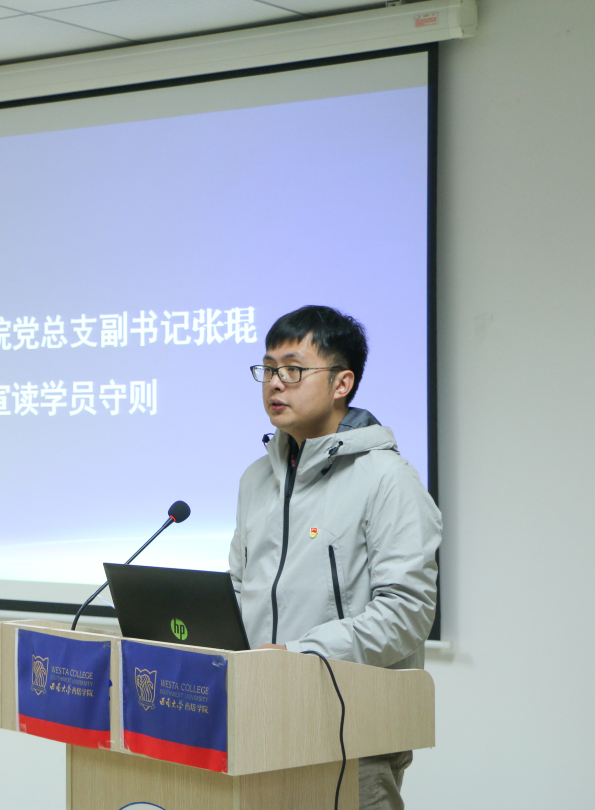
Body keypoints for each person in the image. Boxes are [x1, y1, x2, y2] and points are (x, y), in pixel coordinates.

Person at [228, 305, 440, 810]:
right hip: (259, 722)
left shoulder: (387, 479)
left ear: (342, 383)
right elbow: (239, 587)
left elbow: (407, 613)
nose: (275, 383)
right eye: (268, 369)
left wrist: (300, 655)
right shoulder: (257, 479)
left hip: (351, 731)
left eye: (293, 370)